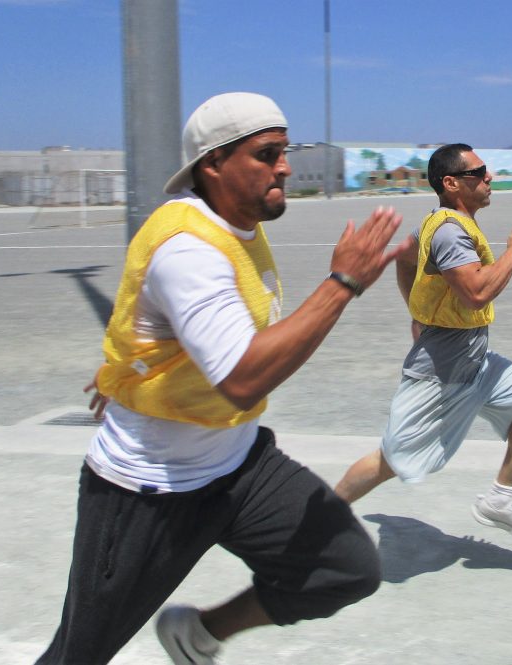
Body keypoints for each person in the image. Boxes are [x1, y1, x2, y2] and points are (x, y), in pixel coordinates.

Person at [37, 92, 409, 665]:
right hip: (149, 489)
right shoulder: (188, 249)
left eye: (286, 151)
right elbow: (241, 379)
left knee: (344, 568)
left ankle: (199, 633)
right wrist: (342, 283)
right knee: (78, 656)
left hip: (238, 466)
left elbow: (170, 336)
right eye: (267, 154)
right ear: (213, 164)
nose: (284, 166)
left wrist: (119, 374)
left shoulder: (238, 225)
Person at [334, 143, 512, 541]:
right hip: (441, 369)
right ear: (452, 183)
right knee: (391, 460)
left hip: (476, 358)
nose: (490, 177)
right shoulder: (451, 231)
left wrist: (419, 314)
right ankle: (320, 521)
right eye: (480, 172)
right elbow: (475, 293)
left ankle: (499, 499)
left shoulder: (438, 223)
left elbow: (404, 258)